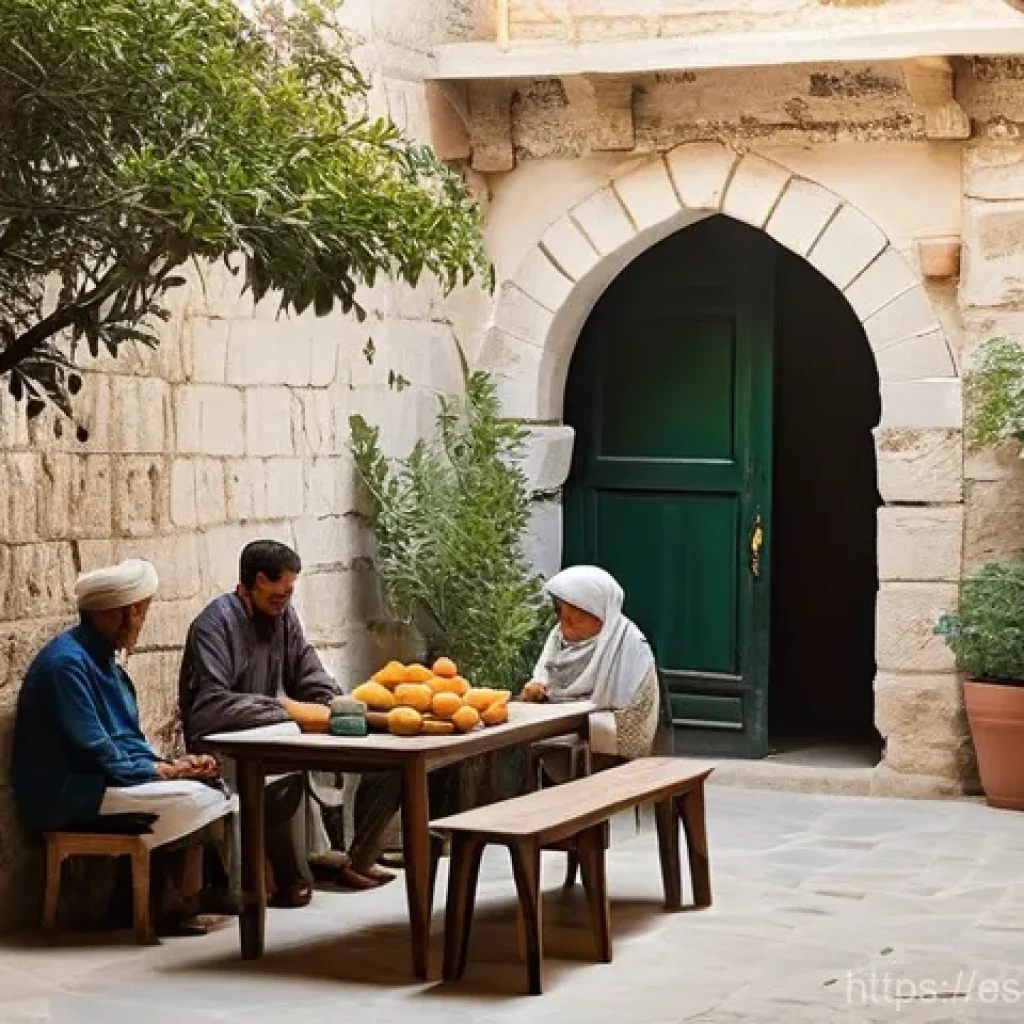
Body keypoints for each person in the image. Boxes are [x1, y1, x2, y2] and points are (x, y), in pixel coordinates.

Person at [12, 559, 235, 931]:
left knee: (214, 791)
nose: (140, 622)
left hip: (106, 778)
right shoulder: (67, 665)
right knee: (191, 799)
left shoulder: (106, 663)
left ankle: (167, 897)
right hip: (70, 789)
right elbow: (97, 749)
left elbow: (128, 741)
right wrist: (163, 772)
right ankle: (161, 903)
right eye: (139, 613)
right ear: (122, 613)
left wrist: (174, 765)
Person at [178, 539, 400, 902]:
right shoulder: (213, 626)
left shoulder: (282, 616)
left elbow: (307, 669)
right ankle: (289, 876)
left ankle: (356, 858)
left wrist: (337, 705)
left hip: (281, 735)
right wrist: (287, 710)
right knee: (285, 777)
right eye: (279, 593)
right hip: (226, 749)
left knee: (385, 760)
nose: (284, 601)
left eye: (289, 593)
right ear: (256, 582)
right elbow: (209, 707)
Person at [522, 565, 660, 763]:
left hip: (613, 760)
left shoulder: (630, 647)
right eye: (562, 618)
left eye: (574, 622)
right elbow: (543, 678)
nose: (564, 629)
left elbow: (634, 721)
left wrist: (585, 723)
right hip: (558, 738)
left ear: (602, 618)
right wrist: (536, 688)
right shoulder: (558, 636)